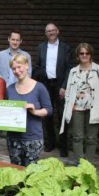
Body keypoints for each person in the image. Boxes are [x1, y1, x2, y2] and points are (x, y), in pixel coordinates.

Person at [60, 43, 99, 165]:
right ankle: (80, 163)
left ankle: (89, 164)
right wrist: (68, 103)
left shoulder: (98, 70)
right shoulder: (73, 71)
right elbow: (68, 91)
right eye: (82, 53)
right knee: (77, 137)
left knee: (91, 138)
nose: (84, 55)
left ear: (91, 55)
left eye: (87, 53)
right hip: (76, 108)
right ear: (78, 55)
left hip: (93, 108)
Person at [33, 22, 73, 156]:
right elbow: (37, 66)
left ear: (58, 31)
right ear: (46, 34)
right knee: (47, 115)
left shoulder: (65, 48)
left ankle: (63, 146)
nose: (51, 33)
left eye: (53, 30)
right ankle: (50, 143)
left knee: (62, 115)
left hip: (60, 86)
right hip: (46, 85)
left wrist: (64, 86)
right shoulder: (41, 47)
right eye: (48, 31)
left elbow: (69, 68)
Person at [6, 53, 52, 166]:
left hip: (33, 138)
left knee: (31, 174)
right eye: (14, 68)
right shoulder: (10, 89)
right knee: (15, 172)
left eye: (19, 67)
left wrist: (35, 111)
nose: (17, 71)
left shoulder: (39, 87)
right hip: (13, 138)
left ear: (27, 65)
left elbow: (49, 110)